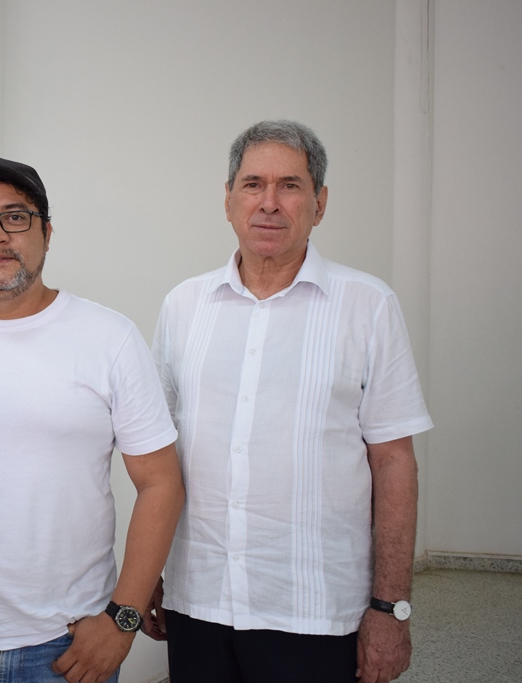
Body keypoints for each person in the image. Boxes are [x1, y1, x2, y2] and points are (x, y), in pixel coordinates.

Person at [150, 120, 433, 683]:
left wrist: (390, 607)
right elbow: (162, 457)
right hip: (198, 600)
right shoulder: (184, 305)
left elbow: (394, 461)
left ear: (320, 203)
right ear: (228, 200)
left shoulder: (368, 305)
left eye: (291, 185)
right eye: (253, 184)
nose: (270, 203)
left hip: (317, 611)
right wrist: (150, 572)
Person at [0, 157, 185, 683]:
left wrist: (122, 618)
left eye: (15, 216)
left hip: (71, 640)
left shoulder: (110, 338)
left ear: (47, 232)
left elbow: (161, 482)